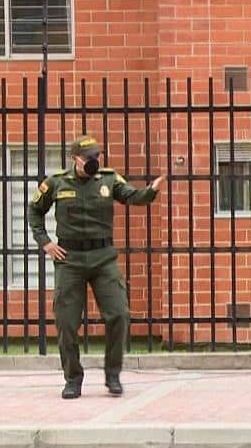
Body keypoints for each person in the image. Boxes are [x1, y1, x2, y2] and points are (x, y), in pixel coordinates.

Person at [29, 135, 165, 399]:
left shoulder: (109, 178)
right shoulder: (55, 182)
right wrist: (45, 242)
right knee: (67, 322)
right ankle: (73, 378)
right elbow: (34, 211)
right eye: (88, 157)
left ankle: (112, 374)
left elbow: (131, 196)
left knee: (119, 314)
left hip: (103, 257)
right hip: (69, 258)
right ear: (75, 159)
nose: (94, 161)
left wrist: (151, 191)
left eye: (96, 156)